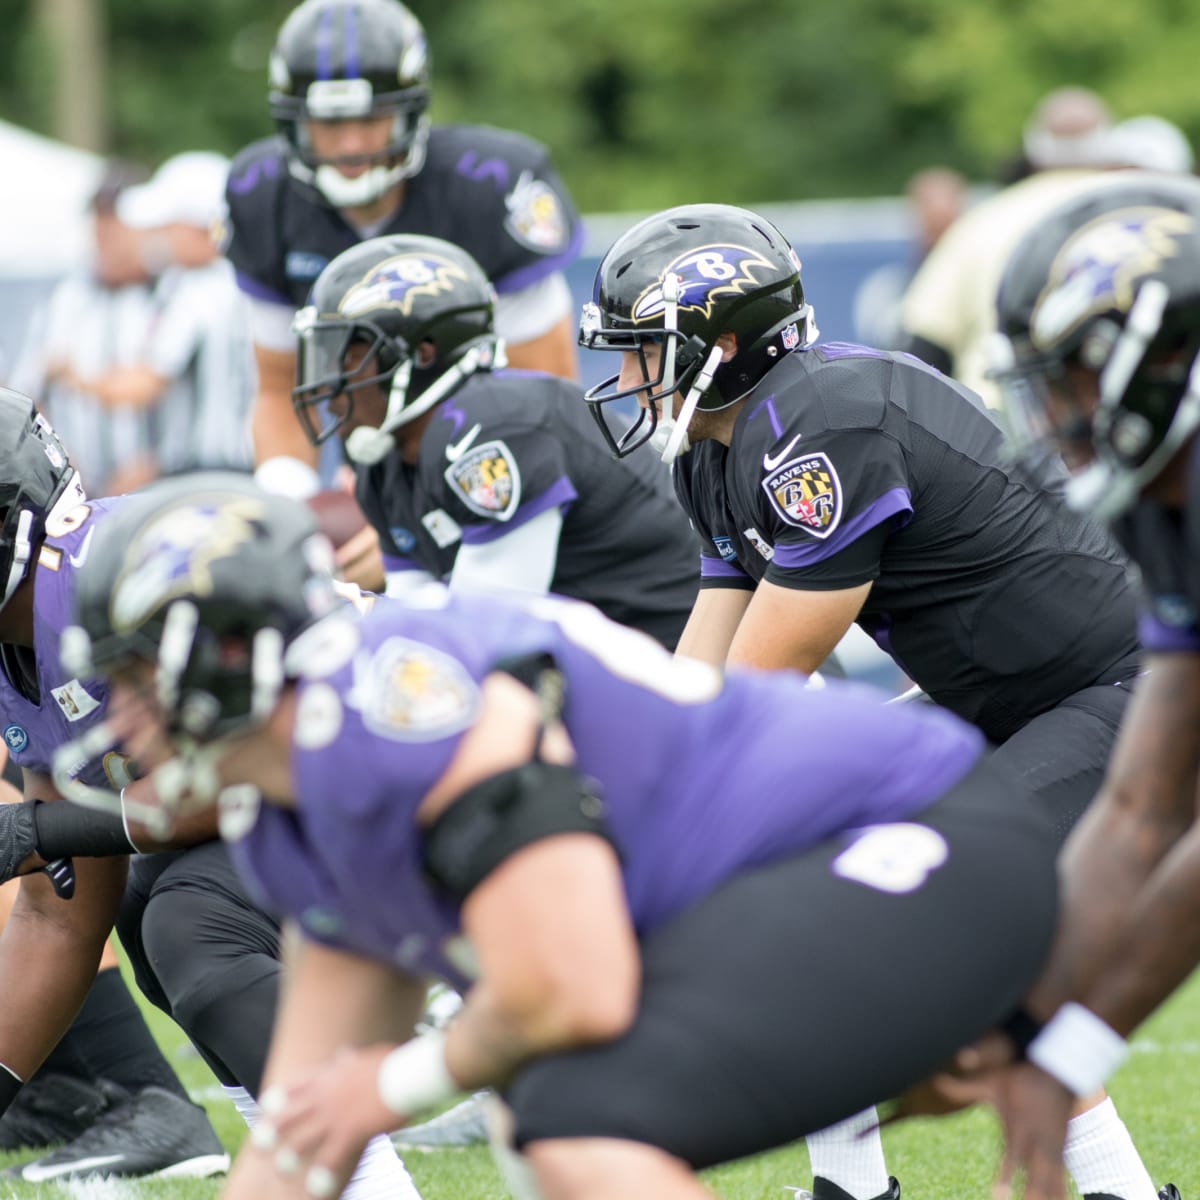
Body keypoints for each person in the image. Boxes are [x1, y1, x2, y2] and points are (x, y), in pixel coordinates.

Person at [58, 471, 1068, 1200]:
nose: (124, 720)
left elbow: (570, 987)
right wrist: (349, 1101)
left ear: (230, 653)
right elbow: (301, 1125)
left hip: (908, 832)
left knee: (569, 1112)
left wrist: (393, 1083)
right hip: (816, 869)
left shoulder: (393, 707)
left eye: (138, 680)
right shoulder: (291, 816)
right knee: (540, 1130)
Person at [578, 202, 1164, 1200]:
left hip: (1113, 695)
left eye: (643, 349)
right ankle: (850, 1186)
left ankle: (1117, 1190)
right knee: (810, 892)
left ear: (720, 344)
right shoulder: (719, 447)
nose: (628, 375)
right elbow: (700, 678)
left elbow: (765, 681)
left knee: (923, 920)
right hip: (998, 700)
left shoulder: (823, 425)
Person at [0, 390, 422, 1196]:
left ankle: (372, 1179)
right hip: (335, 783)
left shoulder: (116, 574)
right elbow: (61, 916)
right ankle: (315, 1165)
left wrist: (44, 829)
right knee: (139, 898)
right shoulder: (21, 636)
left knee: (198, 914)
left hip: (414, 756)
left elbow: (229, 768)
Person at [955, 172, 1200, 1200]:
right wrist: (1030, 1028)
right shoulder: (1164, 498)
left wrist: (1069, 1047)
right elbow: (1141, 805)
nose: (1055, 412)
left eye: (1071, 377)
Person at [224, 0, 582, 530]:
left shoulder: (488, 187)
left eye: (370, 118)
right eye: (328, 122)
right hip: (375, 475)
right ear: (293, 121)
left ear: (409, 109)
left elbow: (547, 399)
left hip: (508, 475)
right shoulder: (264, 198)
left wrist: (423, 510)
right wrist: (295, 513)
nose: (350, 143)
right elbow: (280, 390)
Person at [292, 232, 697, 647]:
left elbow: (485, 630)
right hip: (575, 659)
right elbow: (414, 615)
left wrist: (349, 609)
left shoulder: (499, 426)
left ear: (422, 353)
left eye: (347, 356)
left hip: (668, 656)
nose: (330, 381)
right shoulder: (382, 463)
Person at [10, 155, 252, 497]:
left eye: (163, 227)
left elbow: (143, 385)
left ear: (202, 227)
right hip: (235, 472)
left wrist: (74, 376)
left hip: (204, 476)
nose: (153, 239)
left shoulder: (198, 290)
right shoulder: (248, 284)